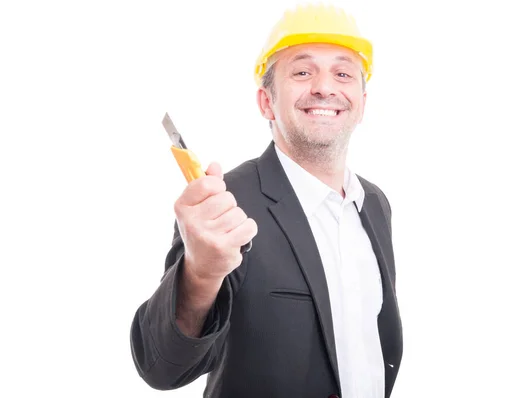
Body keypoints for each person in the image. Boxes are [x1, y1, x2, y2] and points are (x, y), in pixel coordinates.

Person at [130, 3, 403, 397]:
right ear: (266, 102)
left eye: (343, 73)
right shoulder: (227, 204)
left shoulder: (375, 203)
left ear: (361, 103)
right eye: (303, 72)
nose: (325, 87)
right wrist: (201, 274)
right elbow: (161, 366)